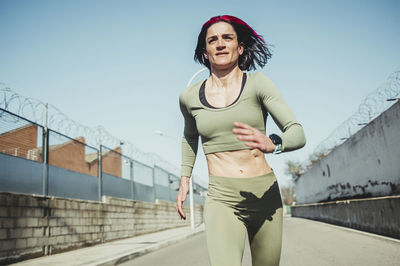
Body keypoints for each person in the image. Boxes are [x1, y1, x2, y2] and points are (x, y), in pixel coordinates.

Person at [176, 15, 306, 266]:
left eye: (228, 37)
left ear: (240, 47)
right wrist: (184, 178)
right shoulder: (189, 97)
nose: (220, 43)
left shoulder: (258, 84)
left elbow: (297, 132)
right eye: (212, 40)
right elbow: (190, 137)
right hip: (221, 198)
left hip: (265, 196)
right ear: (205, 52)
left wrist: (273, 143)